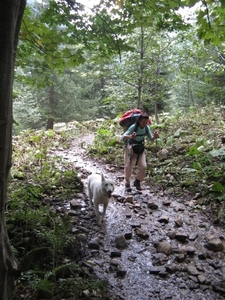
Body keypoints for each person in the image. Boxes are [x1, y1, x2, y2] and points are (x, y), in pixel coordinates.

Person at [122, 112, 159, 192]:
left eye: (146, 122)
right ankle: (127, 183)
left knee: (143, 166)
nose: (144, 124)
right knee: (128, 166)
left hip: (140, 148)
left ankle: (137, 181)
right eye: (143, 122)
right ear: (139, 121)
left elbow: (151, 139)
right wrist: (130, 136)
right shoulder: (133, 127)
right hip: (130, 148)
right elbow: (123, 137)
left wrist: (155, 137)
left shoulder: (146, 128)